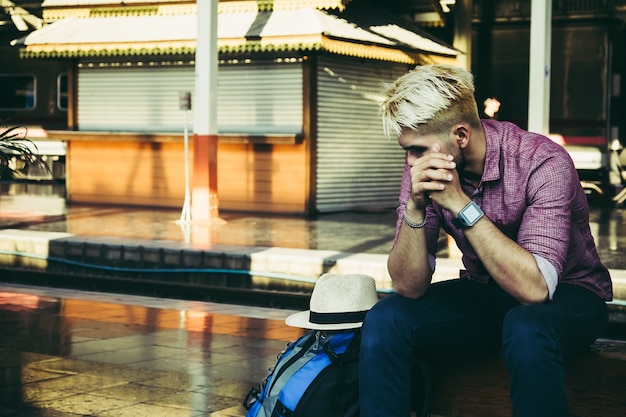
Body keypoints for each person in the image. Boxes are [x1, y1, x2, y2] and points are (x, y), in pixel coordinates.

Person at [359, 64, 613, 417]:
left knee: (526, 325)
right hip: (487, 292)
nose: (410, 161)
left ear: (460, 136)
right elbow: (408, 286)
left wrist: (460, 203)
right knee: (387, 318)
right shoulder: (423, 166)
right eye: (407, 150)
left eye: (416, 149)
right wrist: (416, 208)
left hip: (570, 295)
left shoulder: (543, 161)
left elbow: (536, 290)